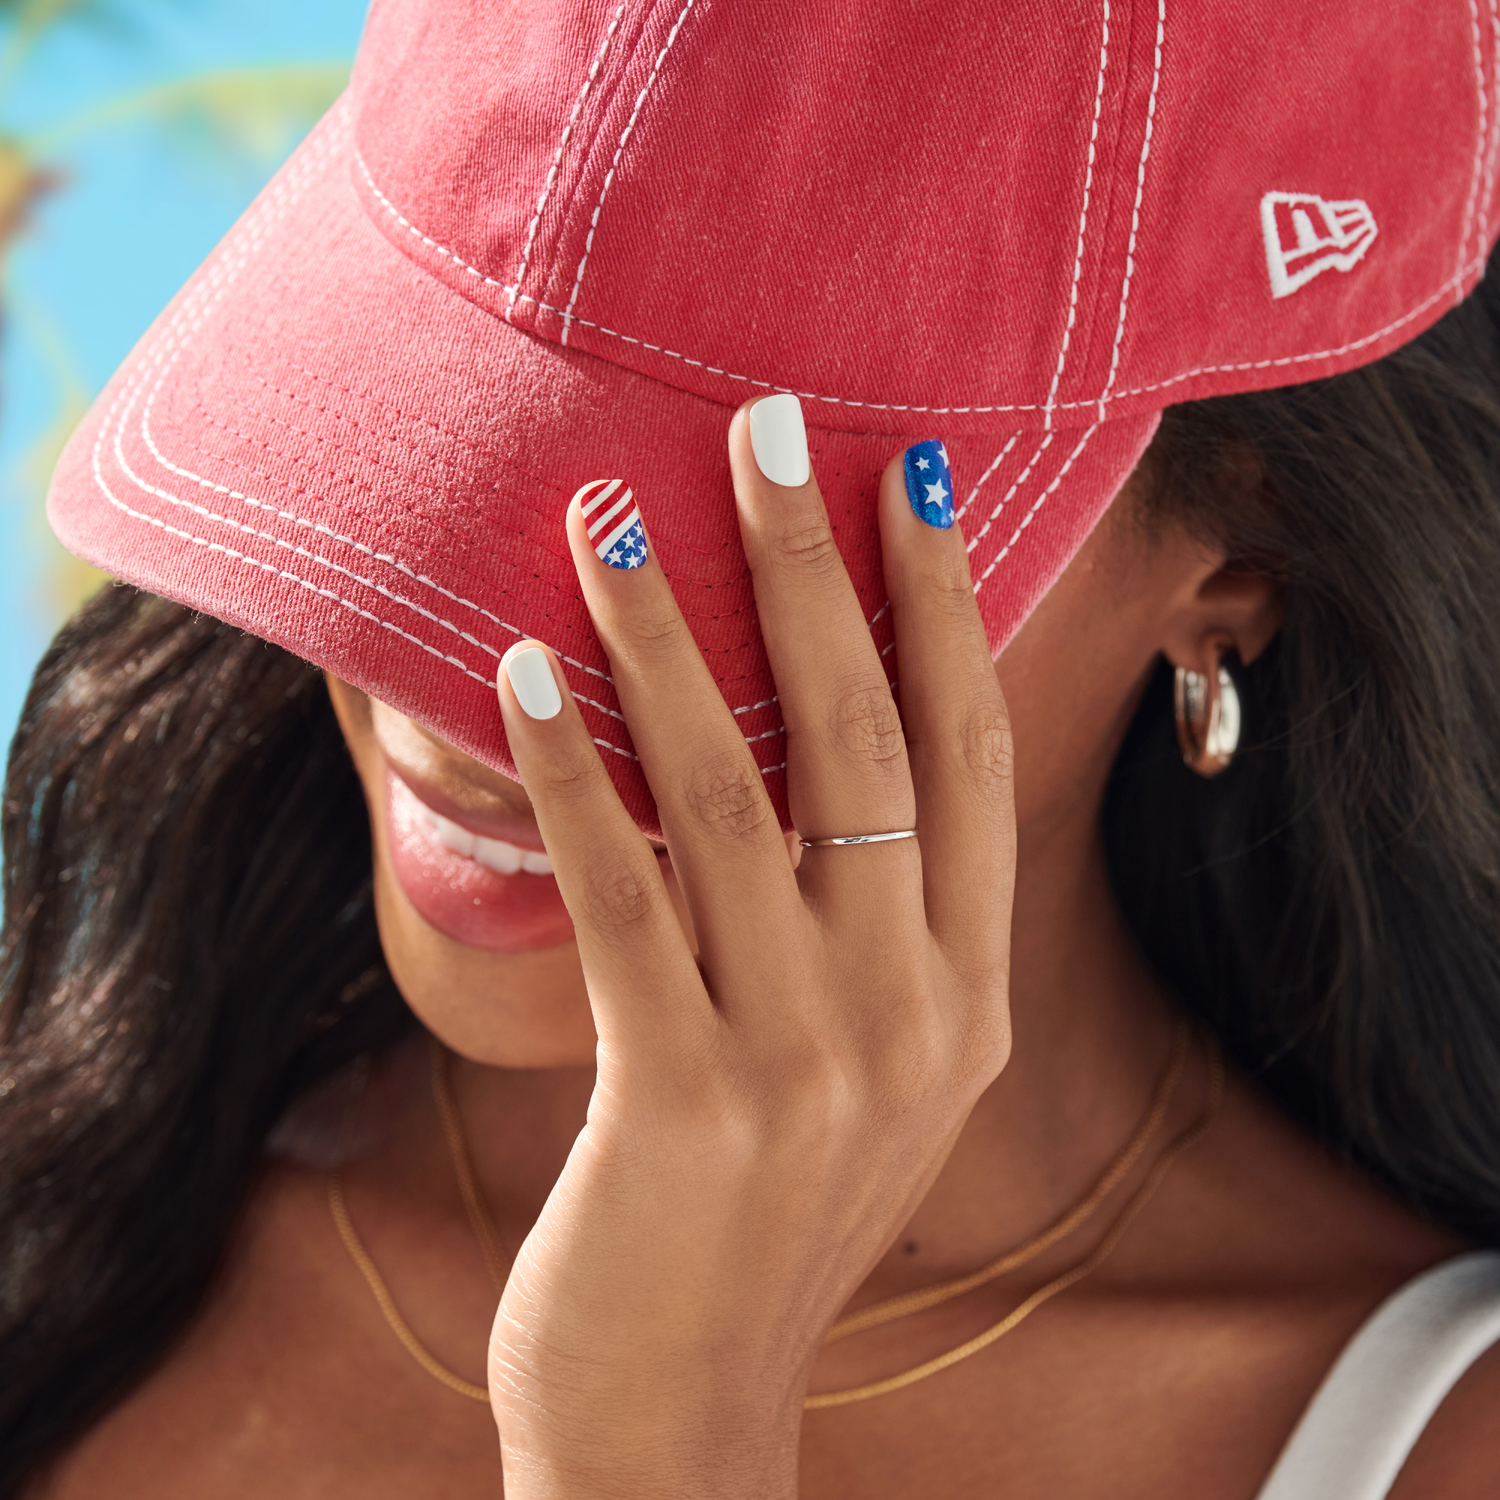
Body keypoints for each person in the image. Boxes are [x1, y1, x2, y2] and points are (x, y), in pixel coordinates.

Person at [6, 0, 1500, 1495]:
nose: (475, 691)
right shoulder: (71, 1163)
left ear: (1241, 555)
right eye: (419, 427)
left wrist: (654, 1433)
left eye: (725, 539)